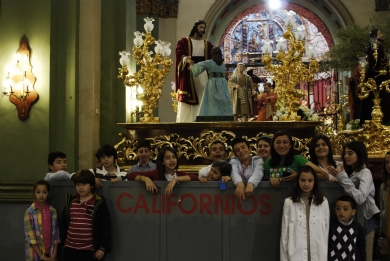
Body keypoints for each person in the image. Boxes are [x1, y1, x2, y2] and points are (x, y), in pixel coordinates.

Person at [328, 141, 380, 261]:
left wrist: (342, 177)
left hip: (365, 222)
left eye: (350, 153)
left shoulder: (365, 173)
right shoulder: (352, 173)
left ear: (359, 155)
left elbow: (360, 198)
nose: (346, 156)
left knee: (365, 257)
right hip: (351, 221)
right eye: (345, 153)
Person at [280, 165, 329, 261]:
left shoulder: (323, 202)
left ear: (314, 182)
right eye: (302, 180)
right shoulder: (289, 202)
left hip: (318, 253)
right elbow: (284, 234)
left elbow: (325, 232)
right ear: (298, 181)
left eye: (310, 180)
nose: (306, 184)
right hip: (296, 254)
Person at [61, 169, 112, 261]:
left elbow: (105, 227)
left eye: (84, 184)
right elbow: (63, 223)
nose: (80, 188)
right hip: (70, 248)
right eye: (78, 185)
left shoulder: (98, 203)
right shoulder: (71, 202)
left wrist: (102, 247)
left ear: (92, 185)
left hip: (88, 251)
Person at [175, 20, 214, 122]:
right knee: (189, 97)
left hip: (202, 72)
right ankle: (187, 121)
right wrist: (186, 59)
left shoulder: (207, 44)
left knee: (203, 95)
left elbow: (212, 58)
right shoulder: (184, 41)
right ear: (195, 27)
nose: (202, 29)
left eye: (204, 28)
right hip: (189, 71)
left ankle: (202, 119)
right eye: (200, 27)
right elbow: (179, 52)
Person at [264, 130, 328, 188]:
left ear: (290, 145)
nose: (281, 145)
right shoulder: (268, 163)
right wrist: (270, 179)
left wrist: (299, 176)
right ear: (274, 145)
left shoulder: (298, 159)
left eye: (285, 142)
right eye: (278, 142)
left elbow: (324, 175)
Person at [127, 146, 198, 196]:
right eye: (168, 158)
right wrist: (145, 179)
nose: (172, 160)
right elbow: (131, 176)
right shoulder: (155, 173)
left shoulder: (179, 173)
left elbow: (194, 177)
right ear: (162, 162)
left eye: (174, 157)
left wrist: (175, 179)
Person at [190, 46, 233, 120]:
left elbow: (198, 67)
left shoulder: (209, 62)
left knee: (212, 101)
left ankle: (213, 117)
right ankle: (223, 118)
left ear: (212, 54)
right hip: (222, 83)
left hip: (213, 83)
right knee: (223, 100)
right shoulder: (222, 64)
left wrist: (191, 66)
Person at [24, 180, 60, 261]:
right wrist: (42, 256)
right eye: (38, 192)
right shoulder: (29, 212)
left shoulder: (52, 210)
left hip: (50, 252)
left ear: (48, 193)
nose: (41, 195)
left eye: (44, 192)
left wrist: (54, 253)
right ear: (34, 193)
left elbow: (56, 235)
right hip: (35, 255)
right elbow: (31, 237)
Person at [328, 196, 366, 261]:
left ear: (353, 212)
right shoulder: (331, 226)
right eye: (338, 208)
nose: (341, 212)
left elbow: (361, 247)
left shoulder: (357, 227)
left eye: (345, 209)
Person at [230, 137, 263, 202]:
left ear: (250, 149)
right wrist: (239, 183)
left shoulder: (257, 160)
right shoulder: (234, 160)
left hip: (258, 198)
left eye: (243, 147)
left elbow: (258, 172)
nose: (241, 151)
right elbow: (234, 172)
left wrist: (251, 183)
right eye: (237, 150)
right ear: (235, 154)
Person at [378, 151, 390, 260]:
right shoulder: (383, 186)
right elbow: (382, 208)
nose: (389, 165)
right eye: (387, 162)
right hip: (386, 230)